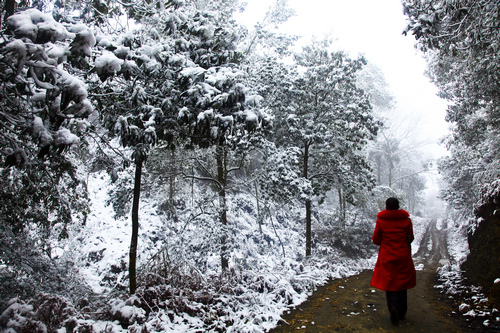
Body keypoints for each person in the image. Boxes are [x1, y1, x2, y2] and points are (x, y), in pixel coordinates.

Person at [370, 197, 416, 325]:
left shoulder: (381, 221)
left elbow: (376, 240)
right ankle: (402, 312)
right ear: (397, 206)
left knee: (390, 284)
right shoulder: (406, 221)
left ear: (386, 207)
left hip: (387, 257)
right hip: (403, 256)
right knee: (402, 283)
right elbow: (410, 238)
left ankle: (393, 308)